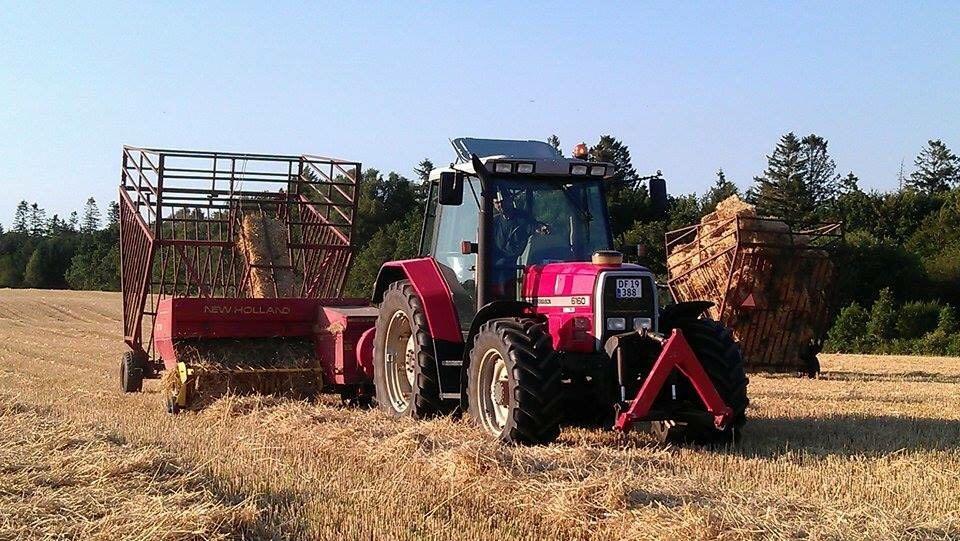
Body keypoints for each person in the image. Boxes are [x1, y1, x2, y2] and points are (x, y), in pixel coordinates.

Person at [490, 191, 550, 298]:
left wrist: (542, 228)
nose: (501, 205)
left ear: (511, 200)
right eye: (497, 203)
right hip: (496, 268)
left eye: (503, 202)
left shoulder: (523, 218)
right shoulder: (493, 222)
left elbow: (534, 226)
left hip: (517, 266)